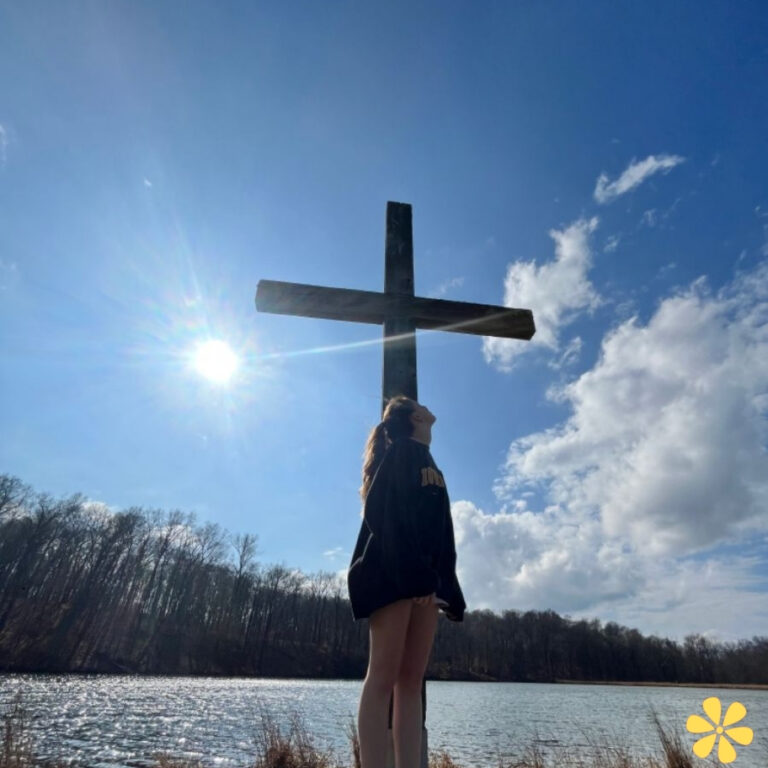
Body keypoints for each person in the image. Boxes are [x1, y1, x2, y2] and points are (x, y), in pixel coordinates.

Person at [347, 395, 466, 768]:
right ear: (415, 416)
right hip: (393, 576)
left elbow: (442, 532)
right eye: (421, 404)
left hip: (426, 587)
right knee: (382, 676)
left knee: (411, 681)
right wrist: (416, 576)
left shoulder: (431, 463)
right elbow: (384, 516)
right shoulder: (400, 455)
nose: (429, 407)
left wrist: (448, 588)